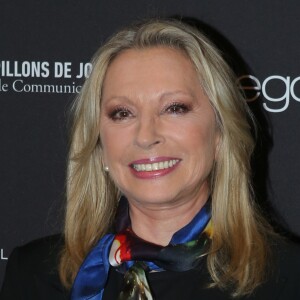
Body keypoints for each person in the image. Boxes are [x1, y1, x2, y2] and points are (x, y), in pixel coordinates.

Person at [1, 19, 300, 300]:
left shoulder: (287, 278)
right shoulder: (34, 275)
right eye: (122, 113)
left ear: (220, 133)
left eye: (174, 108)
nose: (146, 136)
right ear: (100, 144)